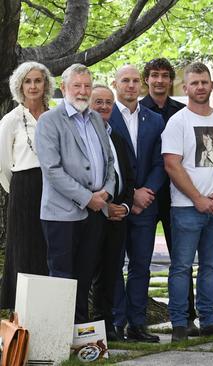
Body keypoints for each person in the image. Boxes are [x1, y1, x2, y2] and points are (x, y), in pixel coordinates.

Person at [162, 62, 213, 342]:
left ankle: (209, 320)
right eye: (194, 83)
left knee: (211, 267)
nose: (200, 87)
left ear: (212, 85)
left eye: (204, 82)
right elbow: (172, 164)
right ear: (185, 88)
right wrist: (197, 198)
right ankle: (180, 324)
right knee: (182, 267)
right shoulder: (178, 122)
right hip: (186, 209)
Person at [34, 63, 115, 324]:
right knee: (62, 276)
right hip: (62, 214)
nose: (82, 91)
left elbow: (110, 162)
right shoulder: (49, 121)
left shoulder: (95, 119)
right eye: (77, 86)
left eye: (87, 86)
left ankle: (79, 334)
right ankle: (58, 334)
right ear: (63, 87)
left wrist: (106, 193)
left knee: (85, 273)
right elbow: (52, 170)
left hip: (97, 209)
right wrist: (86, 198)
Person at [109, 65, 166, 343]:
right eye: (125, 81)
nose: (131, 86)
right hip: (117, 205)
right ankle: (116, 322)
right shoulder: (104, 116)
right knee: (114, 264)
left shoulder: (154, 120)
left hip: (147, 206)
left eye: (135, 81)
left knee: (141, 266)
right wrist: (132, 194)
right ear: (115, 84)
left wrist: (148, 192)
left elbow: (160, 162)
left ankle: (137, 323)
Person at [139, 58, 197, 334]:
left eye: (164, 76)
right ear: (146, 80)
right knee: (141, 259)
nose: (159, 80)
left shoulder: (182, 112)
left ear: (171, 80)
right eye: (154, 76)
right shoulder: (137, 111)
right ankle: (135, 317)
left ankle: (186, 316)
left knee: (182, 259)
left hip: (178, 195)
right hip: (148, 196)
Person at [0, 62, 54, 309]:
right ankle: (19, 308)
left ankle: (48, 307)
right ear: (20, 86)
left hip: (54, 188)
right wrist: (18, 189)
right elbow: (2, 163)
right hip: (23, 188)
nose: (33, 86)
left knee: (49, 246)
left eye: (38, 81)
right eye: (28, 81)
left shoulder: (55, 117)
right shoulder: (11, 119)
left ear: (46, 84)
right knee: (23, 247)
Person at [89, 85, 135, 342]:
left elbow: (127, 177)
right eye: (99, 102)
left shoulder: (116, 136)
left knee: (110, 272)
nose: (104, 107)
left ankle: (106, 326)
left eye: (108, 102)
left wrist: (125, 206)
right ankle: (89, 326)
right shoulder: (84, 136)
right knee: (91, 272)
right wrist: (105, 207)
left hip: (118, 216)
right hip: (93, 214)